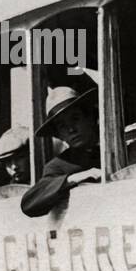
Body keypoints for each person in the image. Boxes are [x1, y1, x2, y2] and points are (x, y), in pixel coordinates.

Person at [21, 79, 101, 217]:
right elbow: (29, 204)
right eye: (62, 126)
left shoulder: (117, 147)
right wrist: (72, 179)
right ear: (59, 135)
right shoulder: (59, 166)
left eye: (75, 118)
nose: (71, 129)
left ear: (90, 117)